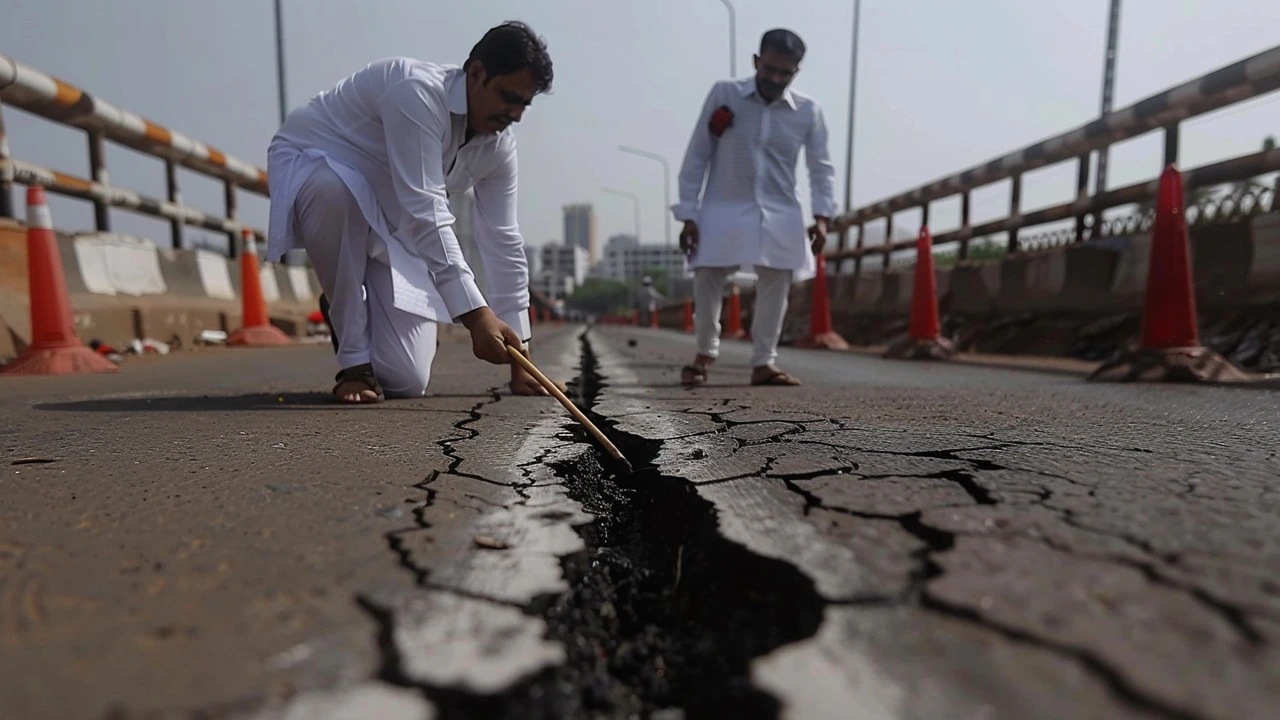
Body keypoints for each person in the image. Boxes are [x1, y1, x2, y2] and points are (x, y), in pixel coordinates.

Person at [266, 22, 554, 403]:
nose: (515, 114)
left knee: (406, 380)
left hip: (391, 219)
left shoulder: (499, 145)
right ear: (477, 72)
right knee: (335, 190)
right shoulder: (416, 92)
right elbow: (426, 206)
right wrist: (476, 316)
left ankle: (350, 306)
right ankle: (352, 361)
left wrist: (522, 357)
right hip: (318, 171)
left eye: (524, 104)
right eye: (507, 97)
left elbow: (503, 239)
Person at [673, 28, 835, 387]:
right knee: (707, 277)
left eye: (785, 73)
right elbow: (698, 153)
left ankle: (764, 362)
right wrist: (688, 213)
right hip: (723, 206)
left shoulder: (808, 111)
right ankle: (704, 354)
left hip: (780, 210)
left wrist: (822, 218)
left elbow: (821, 168)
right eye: (770, 70)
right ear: (756, 62)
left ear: (796, 72)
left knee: (777, 282)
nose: (776, 79)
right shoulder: (724, 94)